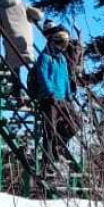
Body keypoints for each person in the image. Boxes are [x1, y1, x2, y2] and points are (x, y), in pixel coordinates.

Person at [31, 29, 78, 167]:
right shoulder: (45, 57)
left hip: (63, 98)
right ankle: (48, 161)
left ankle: (58, 145)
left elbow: (65, 78)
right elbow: (43, 76)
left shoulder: (62, 59)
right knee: (49, 130)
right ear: (55, 42)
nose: (63, 47)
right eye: (61, 44)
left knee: (75, 124)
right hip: (49, 99)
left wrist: (69, 93)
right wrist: (49, 92)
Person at [0, 0, 43, 88]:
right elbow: (39, 16)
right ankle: (37, 89)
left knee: (14, 70)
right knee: (32, 65)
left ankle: (17, 93)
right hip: (25, 41)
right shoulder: (23, 5)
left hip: (11, 45)